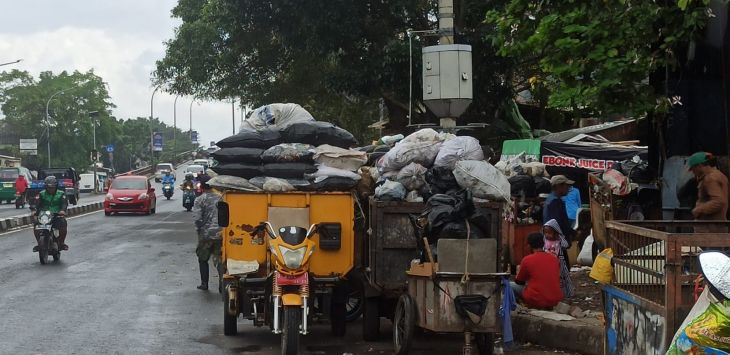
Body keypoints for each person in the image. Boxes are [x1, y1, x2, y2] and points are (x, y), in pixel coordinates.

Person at [511, 233, 563, 309]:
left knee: (508, 285)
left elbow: (519, 281)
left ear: (529, 246)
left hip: (536, 299)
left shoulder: (527, 259)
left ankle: (516, 309)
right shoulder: (554, 259)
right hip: (555, 300)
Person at [192, 175, 222, 291]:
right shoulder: (221, 198)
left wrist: (199, 230)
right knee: (220, 259)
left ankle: (204, 283)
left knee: (203, 258)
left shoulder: (200, 200)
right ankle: (221, 284)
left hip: (206, 235)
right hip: (221, 234)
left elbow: (197, 219)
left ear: (202, 186)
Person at [688, 152, 729, 222]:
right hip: (717, 224)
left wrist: (699, 209)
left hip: (709, 227)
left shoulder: (710, 179)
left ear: (699, 166)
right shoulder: (719, 175)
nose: (693, 172)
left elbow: (718, 202)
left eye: (693, 169)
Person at [33, 176, 68, 251]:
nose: (51, 189)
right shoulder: (41, 194)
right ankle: (39, 244)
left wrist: (62, 210)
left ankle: (61, 243)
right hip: (44, 215)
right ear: (46, 187)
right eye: (49, 187)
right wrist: (34, 211)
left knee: (63, 223)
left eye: (52, 187)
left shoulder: (61, 194)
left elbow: (64, 204)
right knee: (36, 224)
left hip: (57, 215)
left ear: (56, 186)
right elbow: (36, 203)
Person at [543, 219, 575, 298]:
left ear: (555, 232)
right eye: (545, 233)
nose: (547, 235)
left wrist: (560, 236)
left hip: (559, 263)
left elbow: (566, 245)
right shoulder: (545, 240)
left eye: (550, 233)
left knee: (561, 278)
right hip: (547, 263)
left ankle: (564, 293)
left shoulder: (559, 241)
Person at [543, 175, 576, 243]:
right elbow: (557, 223)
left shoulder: (551, 199)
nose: (568, 188)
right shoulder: (555, 201)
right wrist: (570, 233)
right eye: (566, 185)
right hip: (556, 241)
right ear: (558, 186)